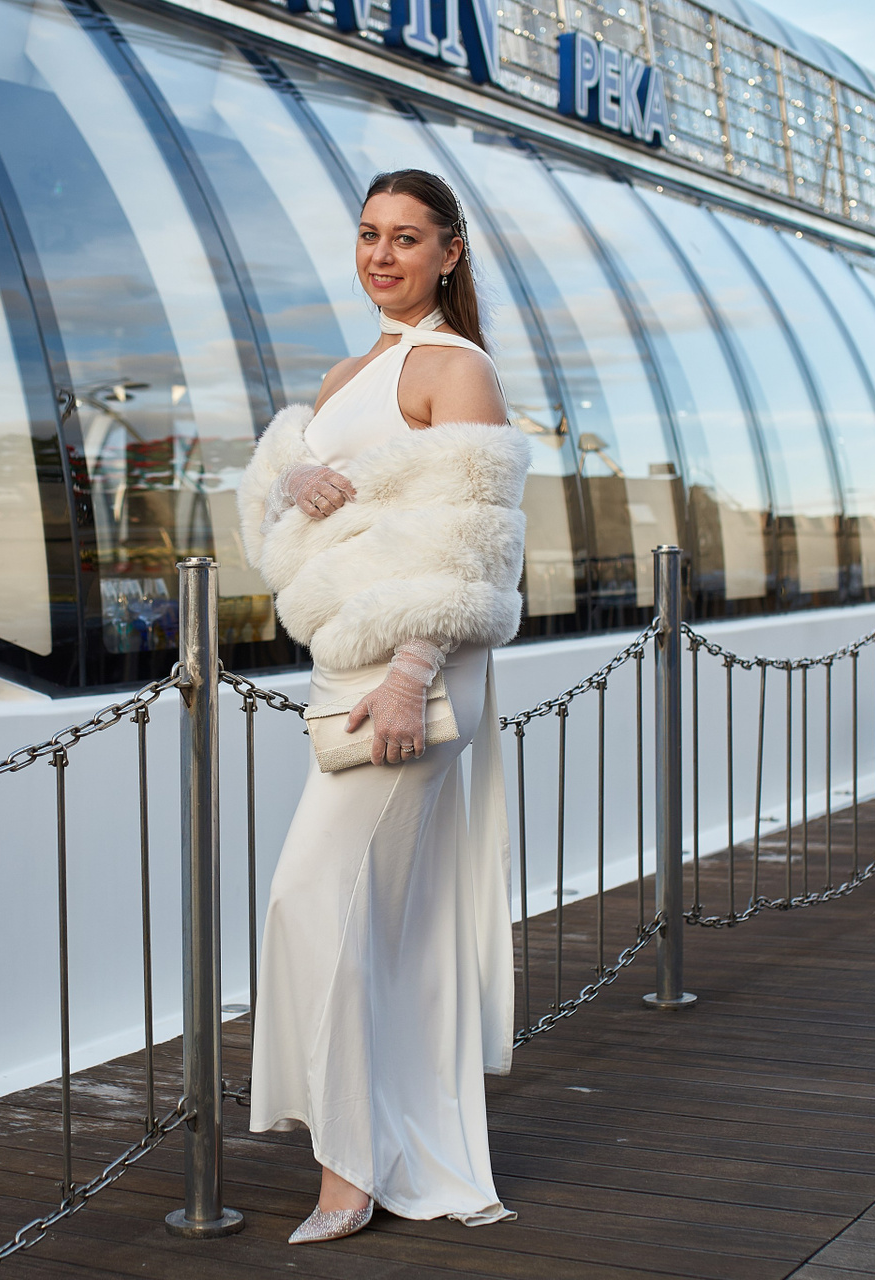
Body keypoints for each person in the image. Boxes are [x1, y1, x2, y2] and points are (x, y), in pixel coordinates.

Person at [237, 170, 531, 1244]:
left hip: (413, 667)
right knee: (361, 915)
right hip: (343, 665)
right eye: (369, 234)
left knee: (312, 897)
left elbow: (470, 537)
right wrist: (290, 483)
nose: (382, 255)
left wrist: (412, 670)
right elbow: (287, 527)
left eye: (407, 238)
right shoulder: (346, 373)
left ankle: (349, 1172)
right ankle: (369, 1147)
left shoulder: (457, 367)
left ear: (450, 252)